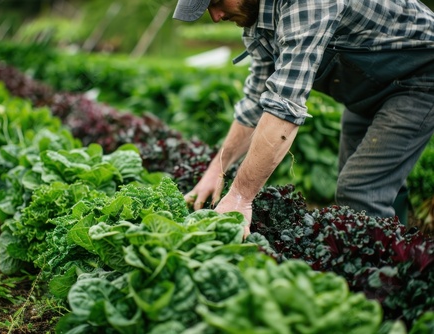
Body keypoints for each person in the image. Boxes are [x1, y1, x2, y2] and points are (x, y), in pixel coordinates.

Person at [172, 0, 434, 237]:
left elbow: (284, 105)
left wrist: (240, 197)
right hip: (366, 93)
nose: (216, 16)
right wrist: (217, 170)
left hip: (418, 77)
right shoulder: (258, 26)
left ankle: (381, 282)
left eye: (216, 3)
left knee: (360, 192)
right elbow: (255, 103)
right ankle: (401, 253)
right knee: (374, 185)